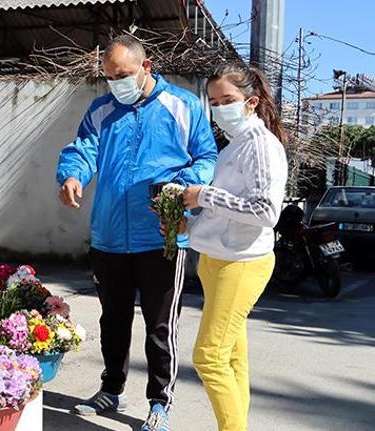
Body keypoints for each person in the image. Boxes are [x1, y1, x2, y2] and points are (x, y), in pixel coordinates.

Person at [56, 35, 218, 431]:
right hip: (109, 235)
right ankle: (111, 389)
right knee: (112, 319)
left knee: (160, 327)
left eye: (124, 74)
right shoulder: (100, 109)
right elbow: (83, 149)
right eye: (110, 76)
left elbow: (207, 157)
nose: (117, 83)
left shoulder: (183, 106)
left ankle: (160, 402)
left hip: (161, 237)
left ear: (147, 66)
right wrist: (73, 175)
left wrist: (183, 186)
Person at [183, 64, 287, 431]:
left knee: (208, 357)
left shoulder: (261, 146)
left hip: (241, 263)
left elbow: (266, 211)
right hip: (217, 259)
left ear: (251, 102)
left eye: (228, 100)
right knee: (231, 357)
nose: (220, 107)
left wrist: (204, 195)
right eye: (214, 101)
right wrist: (190, 221)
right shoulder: (235, 145)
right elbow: (225, 210)